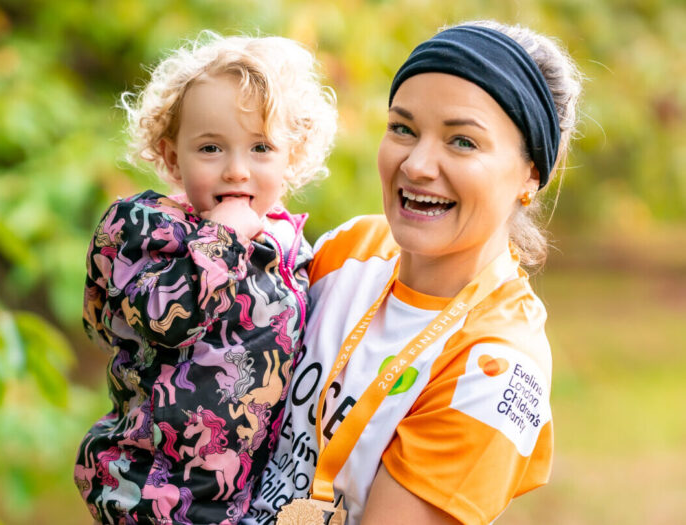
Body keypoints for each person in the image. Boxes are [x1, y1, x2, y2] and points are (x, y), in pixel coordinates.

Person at [247, 20, 582, 525]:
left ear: (531, 172)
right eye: (403, 128)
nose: (418, 164)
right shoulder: (351, 247)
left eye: (462, 142)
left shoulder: (494, 368)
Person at [73, 32, 337, 525]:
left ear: (291, 156)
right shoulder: (146, 229)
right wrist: (220, 239)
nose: (237, 171)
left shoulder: (288, 249)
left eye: (261, 147)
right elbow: (160, 320)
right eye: (211, 148)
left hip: (236, 498)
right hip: (147, 489)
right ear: (173, 158)